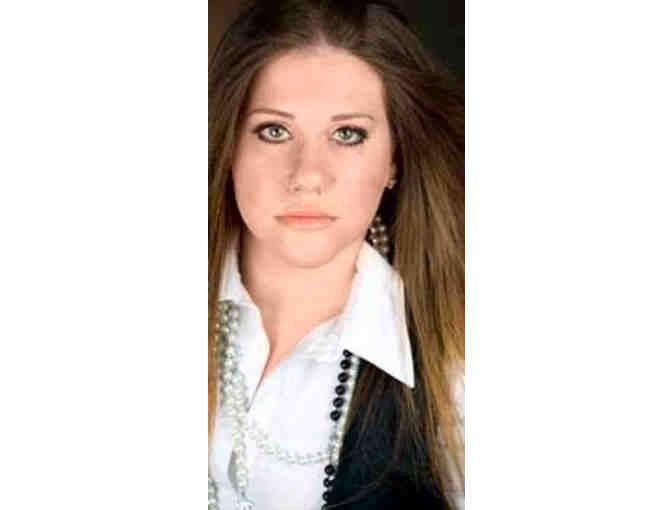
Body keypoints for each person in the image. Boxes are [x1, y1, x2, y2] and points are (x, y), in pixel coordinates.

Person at [208, 1, 464, 509]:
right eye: (274, 130)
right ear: (229, 143)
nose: (308, 175)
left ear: (393, 160)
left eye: (347, 135)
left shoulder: (457, 361)